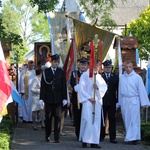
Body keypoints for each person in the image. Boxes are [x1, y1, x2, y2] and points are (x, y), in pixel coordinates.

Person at [75, 60, 107, 148]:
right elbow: (81, 89)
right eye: (96, 65)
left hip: (96, 102)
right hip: (88, 101)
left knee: (96, 121)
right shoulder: (85, 75)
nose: (97, 67)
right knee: (87, 120)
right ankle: (85, 140)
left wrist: (97, 88)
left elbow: (104, 88)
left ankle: (94, 141)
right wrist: (89, 98)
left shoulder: (99, 77)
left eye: (98, 65)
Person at [118, 61, 150, 145]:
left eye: (130, 67)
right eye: (126, 67)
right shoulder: (122, 77)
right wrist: (119, 103)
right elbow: (120, 90)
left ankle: (135, 138)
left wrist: (144, 103)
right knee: (127, 119)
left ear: (132, 68)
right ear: (124, 68)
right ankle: (129, 136)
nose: (128, 68)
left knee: (134, 120)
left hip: (134, 100)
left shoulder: (137, 77)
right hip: (125, 100)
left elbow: (141, 90)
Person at [40, 54, 67, 143]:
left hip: (58, 99)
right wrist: (41, 98)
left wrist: (65, 98)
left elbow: (64, 86)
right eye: (55, 62)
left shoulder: (61, 72)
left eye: (57, 62)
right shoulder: (46, 72)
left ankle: (57, 137)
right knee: (48, 118)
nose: (56, 63)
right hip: (48, 99)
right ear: (51, 62)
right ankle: (47, 135)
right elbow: (43, 86)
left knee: (58, 118)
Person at [70, 57, 89, 140]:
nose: (83, 66)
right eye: (81, 64)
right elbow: (73, 83)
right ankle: (78, 134)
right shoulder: (75, 74)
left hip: (86, 100)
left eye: (84, 65)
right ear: (78, 65)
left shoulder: (89, 74)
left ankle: (85, 134)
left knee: (85, 117)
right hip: (77, 99)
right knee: (77, 118)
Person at [101, 59, 119, 143]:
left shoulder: (115, 77)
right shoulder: (100, 76)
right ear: (103, 68)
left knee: (112, 119)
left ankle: (113, 137)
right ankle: (101, 136)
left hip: (112, 101)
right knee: (102, 119)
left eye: (109, 67)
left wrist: (118, 101)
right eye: (106, 67)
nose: (108, 69)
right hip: (102, 101)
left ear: (111, 68)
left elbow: (118, 89)